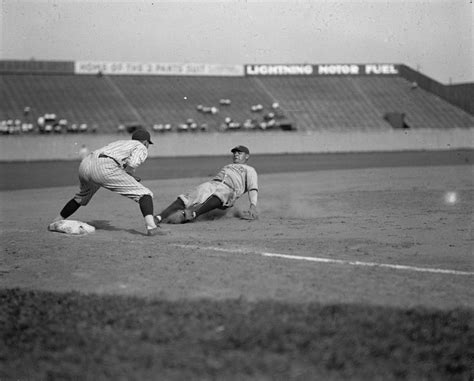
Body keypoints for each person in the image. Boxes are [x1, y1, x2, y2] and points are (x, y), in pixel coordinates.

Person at [50, 129, 167, 236]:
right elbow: (132, 164)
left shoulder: (121, 143)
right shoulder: (140, 146)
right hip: (105, 167)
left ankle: (56, 221)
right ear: (146, 142)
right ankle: (152, 227)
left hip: (85, 164)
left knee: (81, 197)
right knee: (144, 194)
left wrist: (126, 174)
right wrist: (129, 174)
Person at [155, 145, 258, 224]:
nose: (235, 154)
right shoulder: (228, 166)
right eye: (234, 153)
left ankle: (194, 214)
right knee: (189, 196)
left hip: (230, 190)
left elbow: (253, 188)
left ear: (247, 156)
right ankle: (159, 217)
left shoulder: (250, 170)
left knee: (221, 193)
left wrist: (252, 206)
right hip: (213, 183)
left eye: (239, 153)